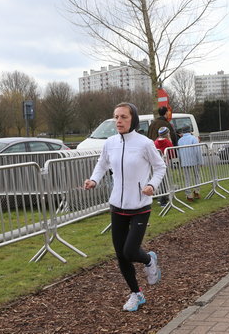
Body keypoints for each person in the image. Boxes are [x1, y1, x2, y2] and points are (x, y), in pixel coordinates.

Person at [83, 102, 166, 312]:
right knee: (120, 254)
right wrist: (94, 180)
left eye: (123, 117)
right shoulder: (109, 143)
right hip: (117, 206)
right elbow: (102, 165)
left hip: (140, 205)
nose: (118, 121)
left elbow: (160, 167)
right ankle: (136, 294)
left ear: (133, 119)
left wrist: (151, 185)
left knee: (130, 251)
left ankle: (148, 259)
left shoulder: (145, 143)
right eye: (116, 117)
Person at [177, 125, 202, 202]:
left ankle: (188, 195)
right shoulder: (193, 138)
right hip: (194, 160)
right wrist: (200, 161)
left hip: (184, 161)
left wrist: (181, 161)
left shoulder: (180, 140)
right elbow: (197, 150)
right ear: (190, 131)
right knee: (197, 176)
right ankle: (196, 191)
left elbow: (178, 152)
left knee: (187, 179)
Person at [154, 127, 174, 207]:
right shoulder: (167, 142)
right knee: (165, 182)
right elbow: (172, 153)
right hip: (165, 164)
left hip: (156, 164)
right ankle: (163, 201)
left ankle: (161, 198)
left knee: (160, 182)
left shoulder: (155, 142)